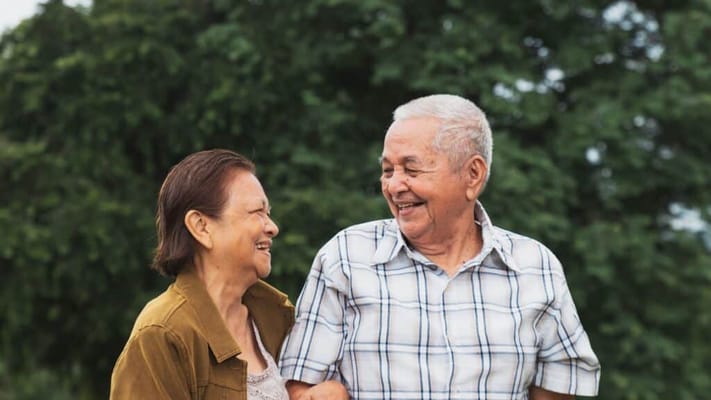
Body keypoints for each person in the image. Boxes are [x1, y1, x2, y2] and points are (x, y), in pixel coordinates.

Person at [279, 94, 601, 400]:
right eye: (387, 170)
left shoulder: (535, 266)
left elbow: (558, 386)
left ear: (472, 175)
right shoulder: (346, 258)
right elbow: (300, 385)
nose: (393, 186)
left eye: (412, 169)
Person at [110, 149, 294, 400]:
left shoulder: (277, 318)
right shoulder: (162, 334)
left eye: (269, 214)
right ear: (201, 226)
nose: (272, 227)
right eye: (257, 212)